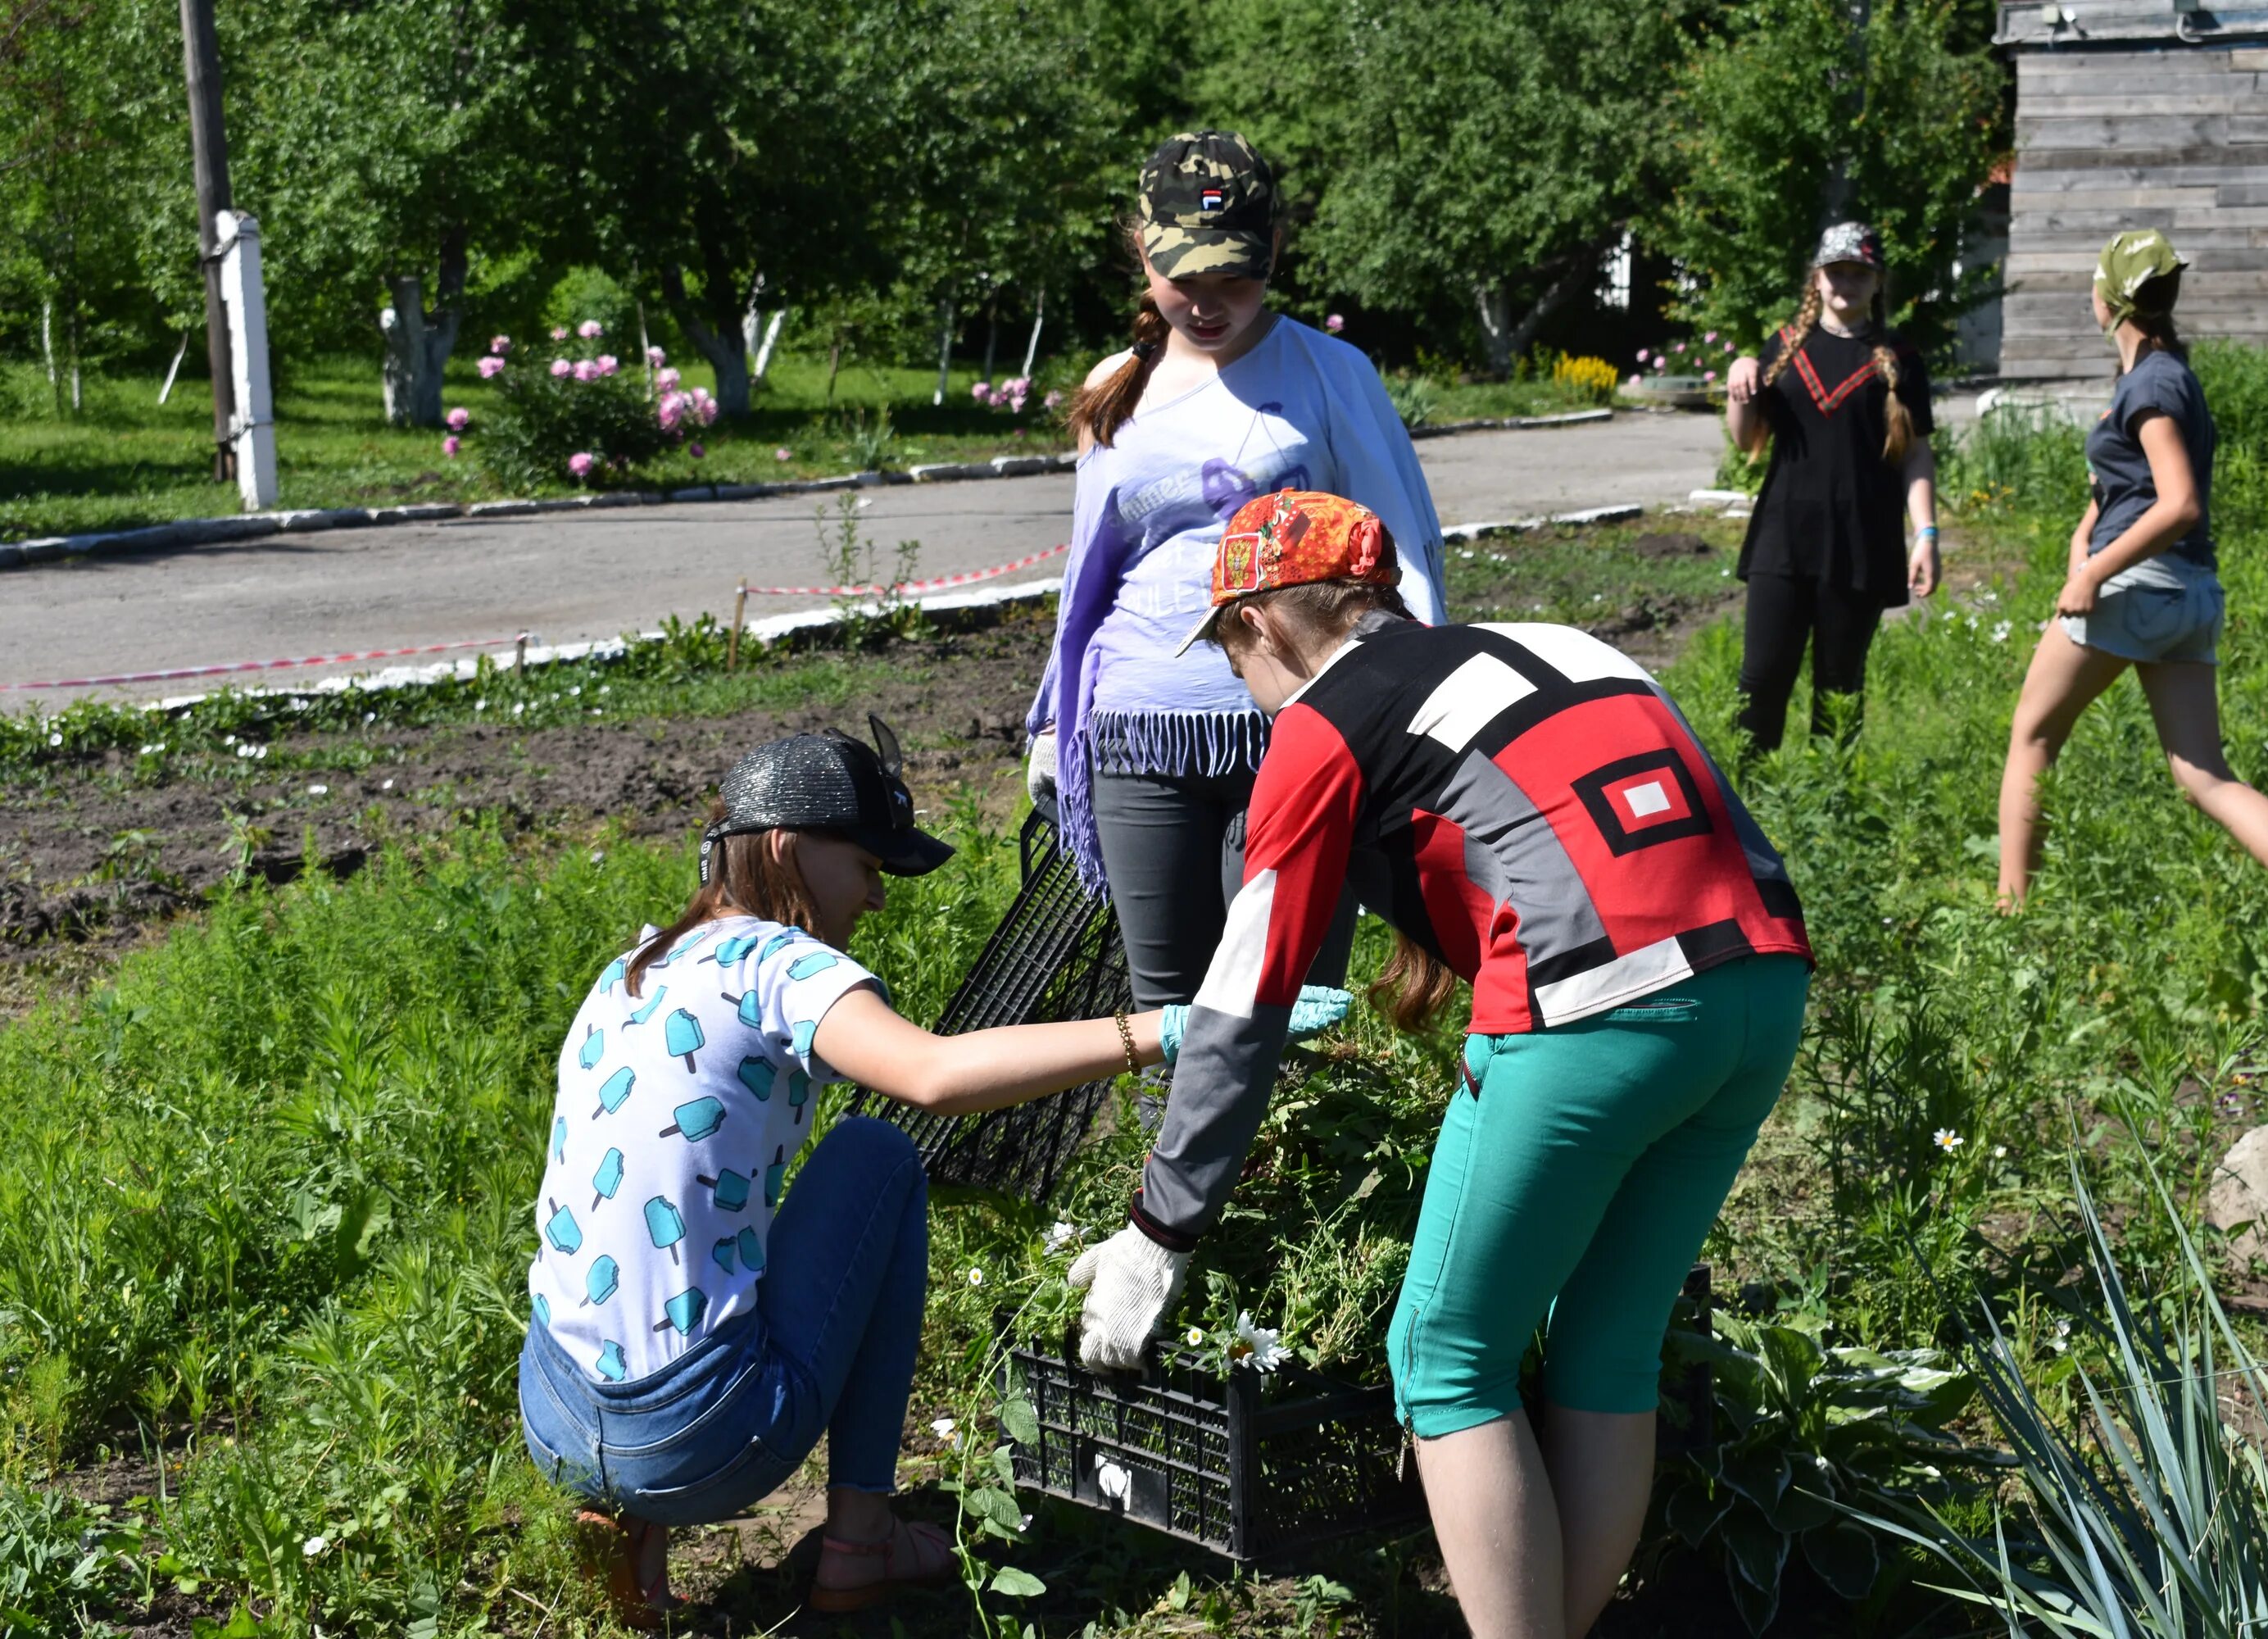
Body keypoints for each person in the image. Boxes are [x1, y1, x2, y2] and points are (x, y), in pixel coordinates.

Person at [1064, 490, 1815, 1639]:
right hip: (1761, 981)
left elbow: (1239, 1000)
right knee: (1606, 1347)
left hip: (1591, 1008)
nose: (1239, 682)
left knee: (1446, 1361)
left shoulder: (1323, 719)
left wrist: (1160, 1234)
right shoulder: (1554, 645)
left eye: (1228, 650)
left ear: (1263, 625)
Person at [518, 720, 1347, 1627]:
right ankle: (858, 1542)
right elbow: (935, 1075)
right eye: (869, 864)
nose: (875, 896)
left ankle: (633, 1521)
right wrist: (1176, 1026)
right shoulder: (777, 963)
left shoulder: (633, 967)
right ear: (788, 849)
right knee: (880, 1157)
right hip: (698, 1432)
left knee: (671, 1234)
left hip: (553, 1407)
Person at [1025, 129, 1445, 1017]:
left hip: (1297, 729)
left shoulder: (1330, 374)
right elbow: (1088, 576)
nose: (1210, 305)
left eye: (1236, 278)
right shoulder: (1116, 385)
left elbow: (1402, 548)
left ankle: (1281, 1161)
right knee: (1163, 1011)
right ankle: (1165, 1163)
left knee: (1285, 998)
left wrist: (1414, 721)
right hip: (1138, 729)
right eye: (1185, 279)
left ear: (1276, 249)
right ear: (1141, 250)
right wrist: (1053, 719)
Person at [1994, 229, 2268, 946]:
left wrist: (2095, 573)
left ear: (2107, 299)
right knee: (2203, 773)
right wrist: (2084, 538)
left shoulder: (2154, 383)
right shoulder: (2160, 375)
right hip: (2189, 593)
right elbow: (2125, 488)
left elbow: (2178, 503)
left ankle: (2009, 925)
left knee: (2033, 738)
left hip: (2138, 586)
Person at [1724, 220, 1940, 753]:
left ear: (1877, 282)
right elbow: (1745, 437)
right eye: (1836, 272)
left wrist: (1928, 534)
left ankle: (1832, 805)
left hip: (1861, 541)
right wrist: (1739, 380)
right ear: (1816, 280)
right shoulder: (1781, 348)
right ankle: (1747, 804)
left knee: (1839, 688)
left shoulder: (1901, 360)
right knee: (1760, 681)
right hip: (1783, 537)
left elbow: (1915, 455)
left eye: (1859, 273)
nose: (1847, 282)